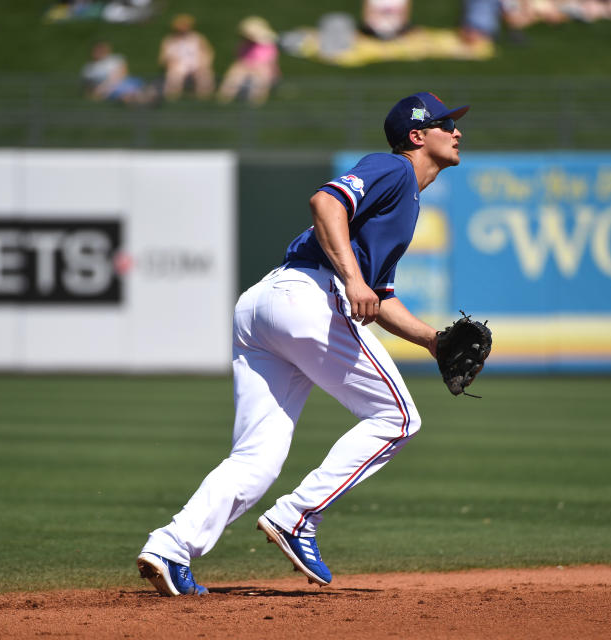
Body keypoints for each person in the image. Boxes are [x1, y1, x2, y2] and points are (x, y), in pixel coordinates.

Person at [137, 91, 469, 596]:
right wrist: (354, 280)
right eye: (446, 124)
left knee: (257, 457)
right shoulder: (394, 169)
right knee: (397, 418)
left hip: (267, 305)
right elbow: (326, 202)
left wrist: (432, 340)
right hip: (308, 296)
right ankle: (297, 517)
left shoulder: (405, 200)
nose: (457, 131)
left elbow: (379, 297)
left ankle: (169, 547)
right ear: (418, 136)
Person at [216, 16, 280, 105]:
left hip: (260, 68)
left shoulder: (267, 45)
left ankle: (256, 103)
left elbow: (268, 62)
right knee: (235, 74)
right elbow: (240, 59)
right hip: (245, 67)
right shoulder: (244, 44)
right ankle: (224, 100)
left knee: (260, 77)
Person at [158, 13, 214, 101]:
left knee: (204, 75)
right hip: (178, 66)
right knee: (174, 75)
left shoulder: (198, 38)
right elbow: (163, 58)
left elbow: (208, 52)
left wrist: (204, 63)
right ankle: (172, 99)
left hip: (197, 64)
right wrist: (170, 63)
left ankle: (204, 99)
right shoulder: (169, 40)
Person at [81, 40, 157, 105]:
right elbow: (89, 87)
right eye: (97, 50)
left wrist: (109, 84)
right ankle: (142, 100)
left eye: (102, 49)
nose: (100, 52)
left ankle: (143, 98)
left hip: (123, 82)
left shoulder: (116, 59)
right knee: (127, 94)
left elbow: (123, 73)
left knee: (137, 86)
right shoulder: (89, 67)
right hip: (109, 89)